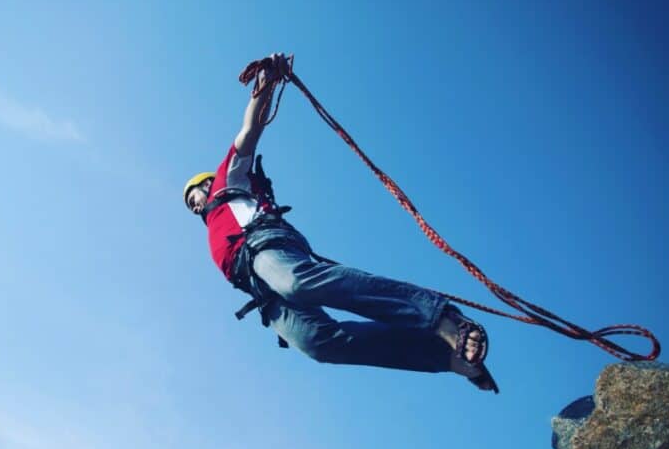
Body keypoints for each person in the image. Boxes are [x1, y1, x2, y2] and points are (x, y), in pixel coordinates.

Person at [184, 53, 499, 393]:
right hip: (261, 290)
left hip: (264, 248)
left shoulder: (225, 183)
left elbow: (249, 131)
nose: (194, 206)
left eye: (193, 197)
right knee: (319, 345)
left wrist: (266, 85)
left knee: (298, 282)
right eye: (190, 205)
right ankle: (449, 359)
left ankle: (442, 318)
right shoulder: (214, 224)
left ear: (206, 184)